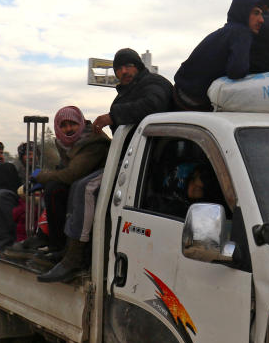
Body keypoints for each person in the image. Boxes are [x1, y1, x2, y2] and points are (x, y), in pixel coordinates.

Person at [36, 48, 174, 281]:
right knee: (68, 188)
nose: (123, 71)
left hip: (150, 160)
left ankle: (74, 259)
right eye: (119, 68)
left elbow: (154, 105)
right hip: (131, 160)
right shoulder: (125, 94)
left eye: (128, 65)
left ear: (138, 66)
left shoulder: (153, 83)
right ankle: (61, 248)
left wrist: (113, 116)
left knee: (84, 187)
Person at [30, 106, 110, 256]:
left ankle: (60, 248)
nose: (68, 129)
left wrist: (41, 176)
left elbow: (72, 174)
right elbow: (64, 168)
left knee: (55, 190)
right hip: (80, 186)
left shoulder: (93, 141)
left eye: (72, 124)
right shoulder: (69, 143)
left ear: (81, 122)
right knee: (52, 188)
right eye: (63, 126)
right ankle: (44, 238)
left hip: (98, 190)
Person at [173, 0, 265, 110]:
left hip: (180, 93)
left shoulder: (227, 31)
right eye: (256, 13)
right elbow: (237, 71)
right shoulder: (241, 32)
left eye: (261, 14)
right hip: (192, 101)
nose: (261, 20)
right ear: (243, 13)